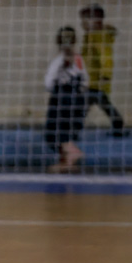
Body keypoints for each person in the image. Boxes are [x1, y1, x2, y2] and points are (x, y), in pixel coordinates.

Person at [44, 26, 88, 173]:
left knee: (54, 132)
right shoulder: (78, 59)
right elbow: (85, 80)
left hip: (61, 99)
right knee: (67, 130)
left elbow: (48, 82)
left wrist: (59, 88)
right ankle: (67, 161)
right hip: (77, 99)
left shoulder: (58, 61)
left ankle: (73, 152)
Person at [79, 3, 127, 137]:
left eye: (86, 19)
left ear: (97, 20)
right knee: (102, 104)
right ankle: (118, 124)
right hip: (90, 79)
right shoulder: (91, 36)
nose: (83, 23)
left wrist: (105, 75)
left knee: (82, 106)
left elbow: (106, 57)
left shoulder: (99, 37)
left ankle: (73, 131)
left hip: (96, 80)